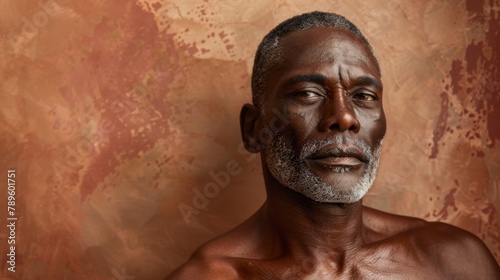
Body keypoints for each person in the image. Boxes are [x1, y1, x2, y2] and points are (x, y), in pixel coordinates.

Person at [167, 11, 499, 279]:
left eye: (364, 96)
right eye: (308, 93)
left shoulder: (453, 261)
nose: (344, 117)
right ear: (254, 129)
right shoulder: (210, 275)